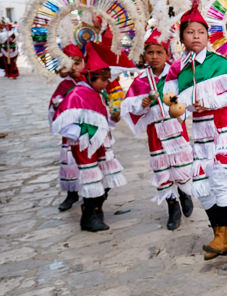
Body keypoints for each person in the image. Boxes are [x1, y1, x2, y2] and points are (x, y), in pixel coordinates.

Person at [164, 4, 227, 260]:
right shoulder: (179, 70)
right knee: (200, 185)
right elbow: (175, 102)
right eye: (190, 32)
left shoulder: (220, 64)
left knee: (221, 178)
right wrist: (179, 109)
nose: (197, 36)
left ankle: (222, 238)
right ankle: (222, 234)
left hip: (225, 127)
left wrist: (209, 101)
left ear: (208, 35)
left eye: (201, 31)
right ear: (182, 38)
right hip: (201, 130)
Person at [121, 30, 194, 230]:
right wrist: (143, 104)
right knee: (162, 169)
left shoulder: (175, 74)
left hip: (176, 128)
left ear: (166, 54)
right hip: (156, 132)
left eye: (158, 52)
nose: (154, 57)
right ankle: (172, 207)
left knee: (181, 165)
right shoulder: (141, 80)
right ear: (144, 55)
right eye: (150, 52)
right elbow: (129, 106)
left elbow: (187, 96)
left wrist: (179, 105)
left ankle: (184, 192)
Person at [51, 42, 128, 232]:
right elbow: (62, 121)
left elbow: (103, 119)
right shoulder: (77, 94)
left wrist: (113, 117)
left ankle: (96, 209)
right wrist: (83, 134)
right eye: (104, 80)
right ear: (92, 77)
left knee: (106, 179)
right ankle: (89, 216)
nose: (107, 84)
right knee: (91, 179)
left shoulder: (97, 93)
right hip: (85, 147)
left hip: (100, 145)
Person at [50, 44, 86, 212]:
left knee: (90, 162)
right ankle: (71, 194)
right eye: (70, 63)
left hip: (88, 130)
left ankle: (91, 194)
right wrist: (59, 104)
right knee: (70, 162)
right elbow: (54, 105)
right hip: (71, 132)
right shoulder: (64, 85)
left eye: (77, 63)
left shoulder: (91, 81)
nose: (74, 67)